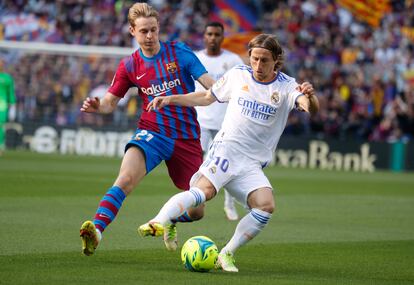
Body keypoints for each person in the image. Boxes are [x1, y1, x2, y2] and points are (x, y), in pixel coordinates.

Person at [138, 34, 319, 272]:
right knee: (204, 193)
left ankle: (226, 253)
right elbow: (205, 97)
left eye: (264, 60)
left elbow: (309, 108)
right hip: (227, 149)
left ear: (276, 60)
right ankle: (158, 222)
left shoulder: (286, 85)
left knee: (265, 206)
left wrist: (310, 96)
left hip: (252, 163)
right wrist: (170, 99)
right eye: (254, 58)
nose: (258, 65)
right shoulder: (238, 75)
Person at [79, 2, 215, 256]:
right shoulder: (129, 65)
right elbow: (110, 103)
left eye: (153, 30)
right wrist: (98, 106)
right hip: (152, 132)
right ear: (132, 31)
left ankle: (171, 219)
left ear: (159, 27)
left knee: (198, 210)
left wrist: (225, 88)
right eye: (143, 31)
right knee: (125, 179)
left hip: (187, 138)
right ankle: (96, 231)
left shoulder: (180, 54)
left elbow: (211, 88)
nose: (150, 36)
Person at [194, 22, 244, 221]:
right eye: (209, 34)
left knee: (228, 165)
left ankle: (229, 204)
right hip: (201, 121)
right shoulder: (196, 59)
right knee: (196, 163)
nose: (213, 37)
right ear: (204, 36)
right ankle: (196, 201)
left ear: (223, 37)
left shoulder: (232, 60)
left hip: (226, 123)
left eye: (217, 34)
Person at [0, 59, 16, 155]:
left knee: (0, 126)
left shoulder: (7, 78)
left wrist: (13, 107)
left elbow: (11, 94)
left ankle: (0, 146)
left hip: (1, 106)